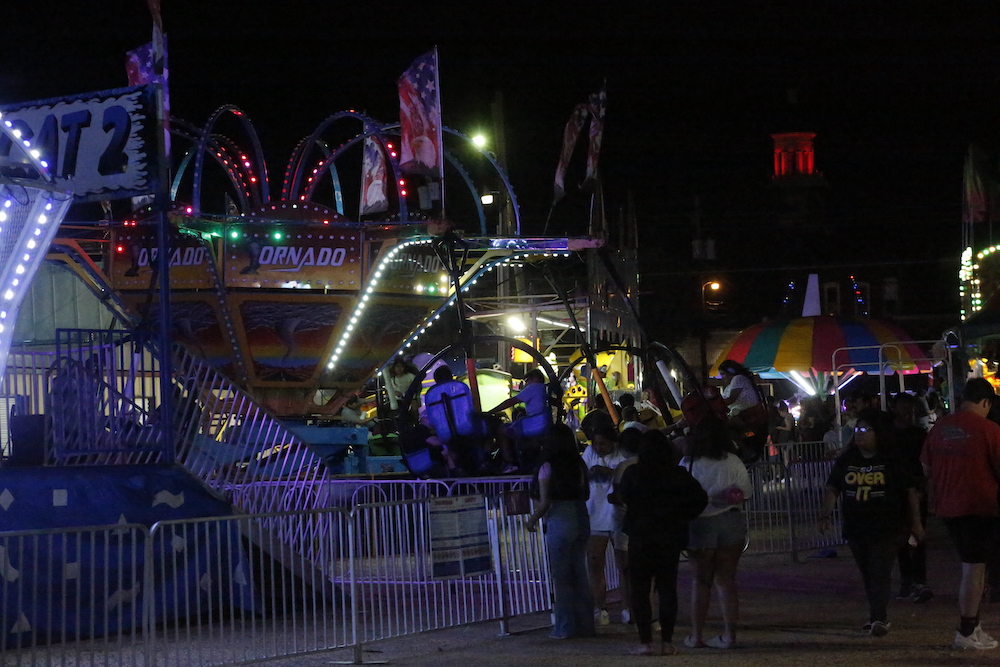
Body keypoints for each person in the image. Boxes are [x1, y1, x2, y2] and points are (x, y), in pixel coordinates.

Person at [819, 408, 924, 637]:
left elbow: (910, 491)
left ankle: (879, 617)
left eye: (865, 429)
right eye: (857, 429)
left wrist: (916, 523)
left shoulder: (891, 459)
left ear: (879, 433)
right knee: (868, 573)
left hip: (887, 526)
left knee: (879, 570)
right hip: (856, 527)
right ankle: (876, 613)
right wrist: (825, 515)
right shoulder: (848, 459)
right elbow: (833, 487)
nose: (859, 434)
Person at [922, 377, 1000, 650]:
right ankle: (967, 630)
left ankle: (973, 625)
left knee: (971, 566)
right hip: (978, 507)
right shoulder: (989, 430)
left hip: (947, 507)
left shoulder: (940, 428)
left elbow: (925, 469)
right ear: (986, 402)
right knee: (974, 569)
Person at [616, 429, 708, 655]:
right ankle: (667, 641)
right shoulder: (677, 474)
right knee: (667, 589)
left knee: (640, 590)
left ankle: (645, 640)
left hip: (641, 537)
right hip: (669, 536)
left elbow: (623, 497)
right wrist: (682, 515)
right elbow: (700, 499)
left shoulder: (633, 473)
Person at [679, 417, 753, 649]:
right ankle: (729, 635)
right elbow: (746, 493)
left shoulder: (689, 462)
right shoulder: (733, 461)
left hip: (701, 522)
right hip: (730, 520)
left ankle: (696, 634)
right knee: (726, 580)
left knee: (701, 581)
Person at [524, 423, 595, 639]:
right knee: (580, 574)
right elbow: (585, 493)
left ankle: (564, 627)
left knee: (562, 577)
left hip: (560, 518)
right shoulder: (579, 464)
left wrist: (532, 520)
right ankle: (586, 626)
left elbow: (545, 501)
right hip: (580, 516)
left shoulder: (548, 467)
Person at [581, 422, 628, 626]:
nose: (599, 448)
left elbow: (626, 476)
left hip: (619, 516)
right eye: (596, 443)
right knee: (595, 563)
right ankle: (600, 608)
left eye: (603, 444)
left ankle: (628, 607)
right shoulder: (589, 452)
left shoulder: (622, 455)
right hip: (595, 515)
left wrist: (608, 472)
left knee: (625, 567)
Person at [890, 392, 933, 603]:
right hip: (897, 492)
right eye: (903, 407)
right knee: (901, 537)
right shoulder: (888, 435)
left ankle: (918, 580)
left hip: (915, 489)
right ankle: (909, 580)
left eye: (910, 407)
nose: (908, 411)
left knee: (918, 535)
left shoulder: (919, 434)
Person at [488, 368, 552, 473]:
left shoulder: (533, 388)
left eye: (527, 380)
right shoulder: (543, 389)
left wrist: (490, 412)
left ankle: (509, 463)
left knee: (501, 430)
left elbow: (511, 402)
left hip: (532, 426)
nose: (526, 384)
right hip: (539, 423)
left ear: (534, 378)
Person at [718, 359, 767, 463]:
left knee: (723, 427)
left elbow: (731, 399)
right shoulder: (729, 386)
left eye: (723, 374)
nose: (722, 378)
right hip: (741, 415)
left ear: (731, 371)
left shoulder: (738, 379)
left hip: (749, 415)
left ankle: (745, 449)